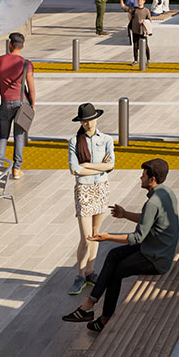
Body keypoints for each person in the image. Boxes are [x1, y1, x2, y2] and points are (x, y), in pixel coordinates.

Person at [63, 158, 179, 334]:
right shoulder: (166, 193)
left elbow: (137, 238)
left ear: (152, 179)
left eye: (143, 175)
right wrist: (125, 214)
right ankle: (89, 305)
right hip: (157, 248)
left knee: (116, 272)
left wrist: (108, 237)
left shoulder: (153, 203)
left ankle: (102, 318)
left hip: (156, 259)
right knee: (113, 255)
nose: (140, 178)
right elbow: (147, 220)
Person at [65, 103, 118, 294]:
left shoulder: (106, 140)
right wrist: (98, 166)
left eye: (90, 120)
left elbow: (111, 165)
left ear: (96, 118)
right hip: (84, 190)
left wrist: (87, 165)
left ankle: (90, 272)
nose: (88, 124)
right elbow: (74, 169)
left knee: (96, 234)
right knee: (86, 238)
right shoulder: (74, 141)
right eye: (84, 121)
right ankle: (79, 275)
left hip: (101, 188)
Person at [0, 33, 36, 178]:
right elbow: (31, 88)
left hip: (5, 102)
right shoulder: (26, 64)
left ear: (10, 45)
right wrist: (33, 104)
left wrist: (4, 94)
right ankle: (16, 169)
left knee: (3, 136)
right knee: (19, 136)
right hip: (21, 103)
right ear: (22, 46)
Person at [128, 0, 152, 68]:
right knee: (135, 46)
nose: (139, 1)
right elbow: (125, 8)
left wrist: (143, 21)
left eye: (141, 0)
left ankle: (148, 59)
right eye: (138, 0)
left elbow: (149, 20)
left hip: (143, 31)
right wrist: (121, 1)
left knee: (145, 46)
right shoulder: (134, 10)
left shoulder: (146, 10)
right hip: (135, 31)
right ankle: (136, 60)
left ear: (144, 1)